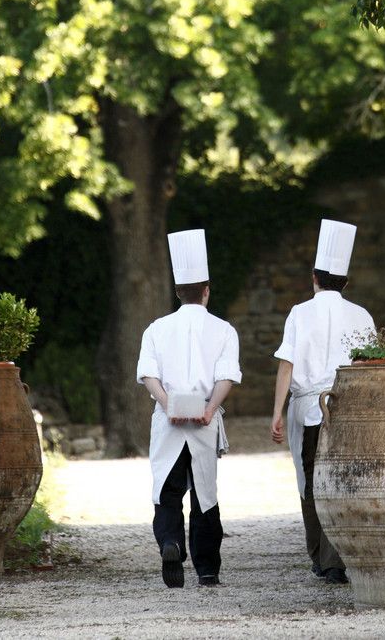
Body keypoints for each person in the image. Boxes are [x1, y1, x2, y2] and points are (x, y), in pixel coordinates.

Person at [271, 218, 375, 584]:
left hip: (308, 408)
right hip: (348, 407)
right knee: (341, 479)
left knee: (311, 480)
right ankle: (333, 557)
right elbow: (370, 368)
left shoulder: (300, 313)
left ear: (314, 278)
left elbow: (287, 365)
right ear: (345, 283)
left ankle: (323, 557)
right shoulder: (361, 315)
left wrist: (276, 413)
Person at [137, 228, 241, 588]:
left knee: (167, 490)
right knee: (204, 493)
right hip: (203, 422)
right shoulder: (224, 330)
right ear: (207, 291)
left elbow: (148, 375)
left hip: (167, 423)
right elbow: (226, 377)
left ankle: (170, 542)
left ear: (178, 292)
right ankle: (207, 568)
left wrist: (168, 405)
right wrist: (210, 408)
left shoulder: (156, 329)